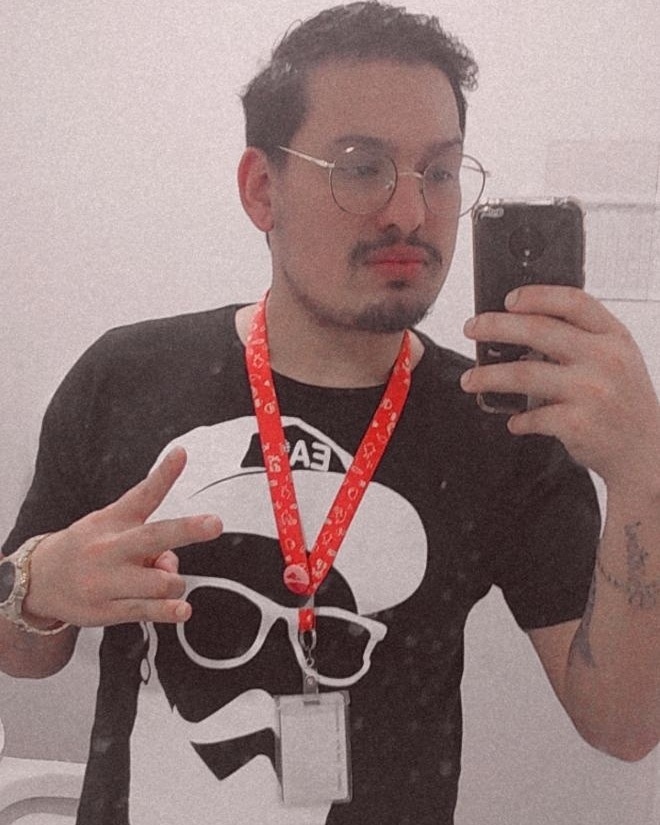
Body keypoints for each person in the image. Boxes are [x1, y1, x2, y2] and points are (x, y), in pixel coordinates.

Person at [1, 2, 658, 823]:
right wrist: (36, 586)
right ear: (262, 189)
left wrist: (643, 477)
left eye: (439, 171)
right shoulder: (124, 377)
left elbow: (624, 725)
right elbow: (24, 657)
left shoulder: (501, 423)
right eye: (361, 166)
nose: (410, 212)